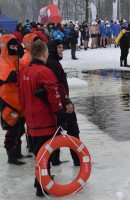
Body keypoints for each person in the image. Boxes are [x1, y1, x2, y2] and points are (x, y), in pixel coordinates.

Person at [18, 40, 68, 197]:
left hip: (30, 121)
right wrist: (61, 114)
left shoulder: (24, 71)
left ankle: (39, 179)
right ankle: (42, 186)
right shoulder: (44, 72)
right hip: (44, 121)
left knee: (38, 154)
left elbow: (21, 96)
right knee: (44, 155)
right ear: (44, 52)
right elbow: (54, 96)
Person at [46, 39, 80, 166]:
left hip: (56, 105)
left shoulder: (49, 63)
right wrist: (66, 100)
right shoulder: (54, 64)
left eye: (62, 47)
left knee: (57, 131)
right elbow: (58, 85)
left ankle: (55, 159)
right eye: (59, 47)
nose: (62, 50)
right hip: (62, 104)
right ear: (52, 49)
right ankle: (78, 160)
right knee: (73, 131)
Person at [0, 34, 26, 165]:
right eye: (13, 46)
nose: (15, 48)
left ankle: (17, 152)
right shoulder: (2, 62)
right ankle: (11, 156)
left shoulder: (17, 61)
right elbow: (11, 76)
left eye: (17, 46)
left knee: (20, 129)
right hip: (8, 102)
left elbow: (24, 72)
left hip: (19, 101)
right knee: (12, 129)